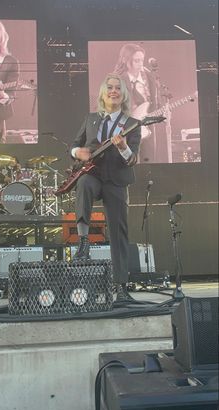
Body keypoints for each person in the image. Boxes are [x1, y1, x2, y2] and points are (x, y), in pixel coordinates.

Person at [70, 73, 141, 301]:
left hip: (117, 180)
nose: (113, 91)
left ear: (123, 95)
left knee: (118, 232)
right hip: (93, 174)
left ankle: (120, 286)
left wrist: (123, 148)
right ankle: (83, 241)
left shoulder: (132, 124)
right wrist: (76, 152)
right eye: (109, 87)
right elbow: (74, 145)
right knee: (83, 183)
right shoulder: (91, 118)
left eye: (117, 88)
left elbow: (132, 159)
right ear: (103, 93)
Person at [113, 43, 163, 162]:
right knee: (130, 161)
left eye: (142, 60)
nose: (140, 63)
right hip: (126, 128)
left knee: (149, 160)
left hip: (147, 126)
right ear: (125, 60)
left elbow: (155, 102)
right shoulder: (118, 79)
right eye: (136, 60)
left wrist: (159, 113)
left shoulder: (148, 76)